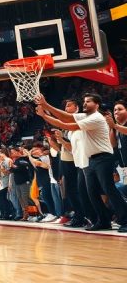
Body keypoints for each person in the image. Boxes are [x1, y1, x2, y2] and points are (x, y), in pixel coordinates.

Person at [36, 93, 127, 232]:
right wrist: (46, 108)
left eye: (88, 101)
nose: (85, 103)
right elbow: (66, 117)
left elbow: (65, 124)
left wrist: (45, 111)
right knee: (91, 192)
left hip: (103, 158)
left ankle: (125, 219)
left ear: (97, 105)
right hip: (91, 159)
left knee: (109, 189)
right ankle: (103, 221)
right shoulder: (86, 116)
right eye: (84, 101)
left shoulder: (96, 117)